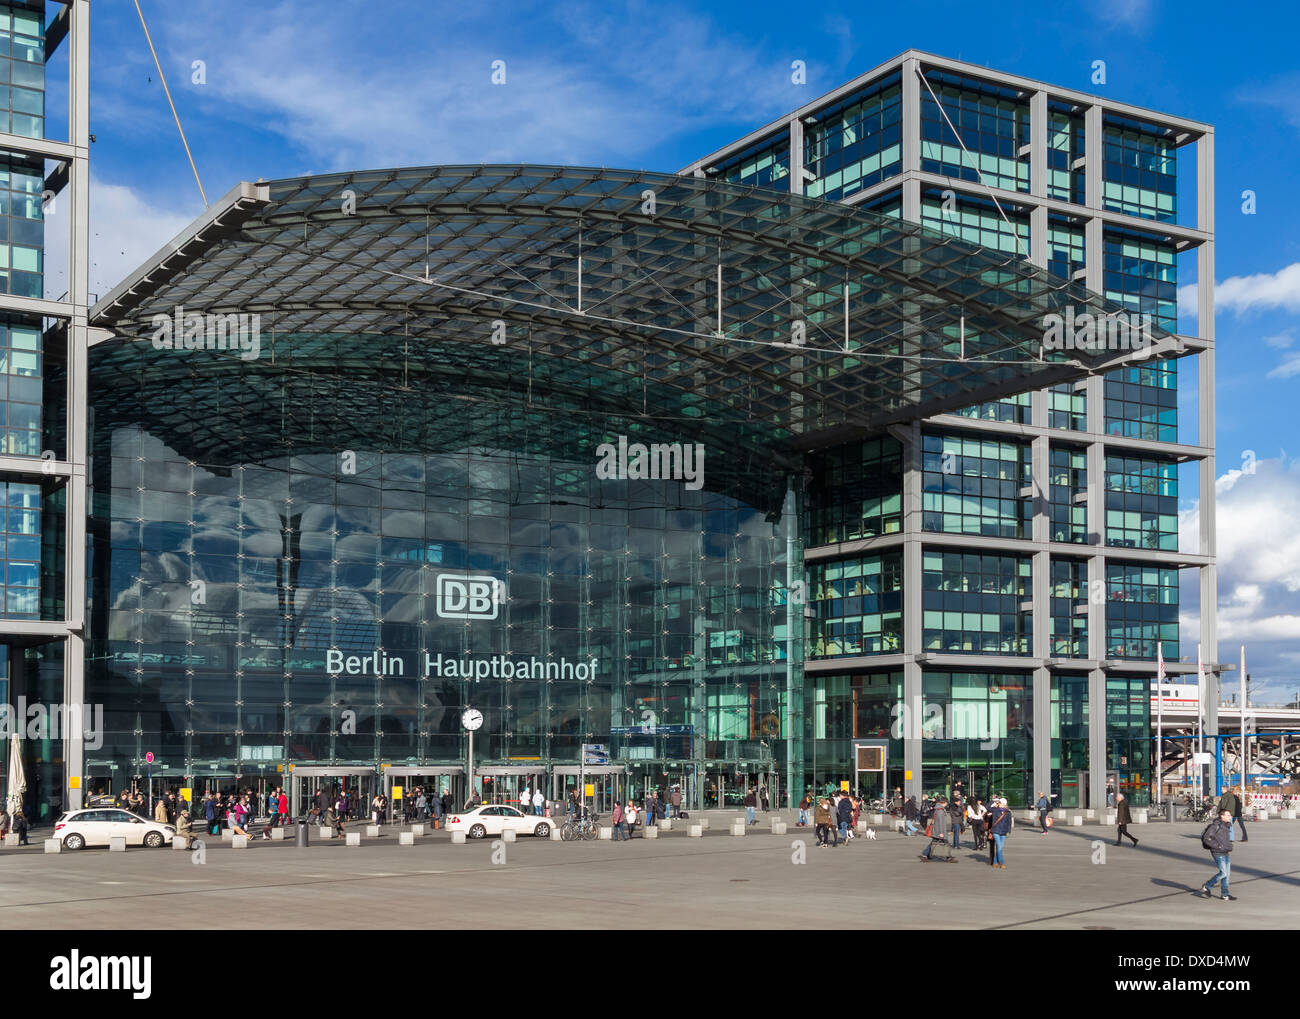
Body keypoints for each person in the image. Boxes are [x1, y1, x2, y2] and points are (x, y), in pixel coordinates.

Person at [1200, 809, 1236, 900]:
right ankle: (1207, 886)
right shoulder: (1215, 826)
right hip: (1218, 852)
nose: (1230, 817)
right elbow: (1206, 838)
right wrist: (1218, 846)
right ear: (1222, 816)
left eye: (1230, 815)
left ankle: (1225, 894)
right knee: (1223, 873)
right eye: (1228, 815)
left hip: (1225, 852)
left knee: (1226, 875)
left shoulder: (1227, 826)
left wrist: (1228, 845)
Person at [921, 797, 952, 861]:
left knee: (935, 842)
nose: (947, 804)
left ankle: (926, 854)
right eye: (947, 803)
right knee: (944, 842)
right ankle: (948, 857)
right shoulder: (940, 810)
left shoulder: (938, 809)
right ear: (945, 802)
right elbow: (940, 822)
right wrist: (941, 832)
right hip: (939, 830)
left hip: (937, 829)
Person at [989, 797, 1012, 868]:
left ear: (1004, 804)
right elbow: (988, 807)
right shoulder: (995, 810)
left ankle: (995, 862)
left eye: (1000, 802)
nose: (998, 803)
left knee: (1000, 848)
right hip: (996, 831)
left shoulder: (1008, 812)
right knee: (999, 847)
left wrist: (1008, 831)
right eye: (998, 802)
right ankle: (1002, 863)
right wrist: (994, 802)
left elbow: (1009, 823)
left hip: (1003, 832)